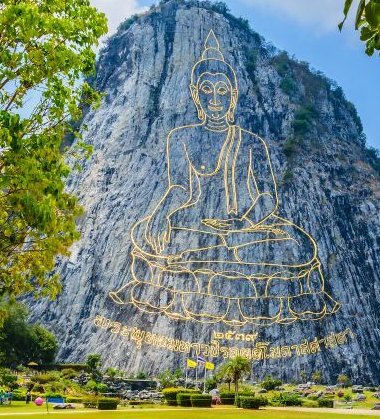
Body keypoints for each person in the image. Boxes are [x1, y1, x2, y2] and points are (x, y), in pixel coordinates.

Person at [110, 30, 339, 326]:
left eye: (222, 92)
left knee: (298, 245)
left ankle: (215, 266)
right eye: (207, 90)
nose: (214, 100)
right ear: (195, 93)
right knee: (150, 234)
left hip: (246, 230)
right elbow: (181, 187)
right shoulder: (182, 136)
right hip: (196, 226)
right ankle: (217, 267)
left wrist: (243, 223)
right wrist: (160, 213)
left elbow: (268, 196)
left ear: (233, 96)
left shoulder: (251, 141)